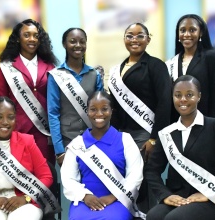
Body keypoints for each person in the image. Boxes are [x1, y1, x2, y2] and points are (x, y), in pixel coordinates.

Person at [145, 75, 215, 220]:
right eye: (178, 95)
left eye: (189, 95)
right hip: (180, 196)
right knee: (153, 216)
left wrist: (211, 193)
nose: (183, 100)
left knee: (175, 219)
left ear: (199, 97)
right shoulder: (166, 133)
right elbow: (152, 171)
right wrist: (166, 195)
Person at [108, 22, 171, 212]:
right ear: (124, 39)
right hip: (123, 135)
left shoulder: (155, 65)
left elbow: (164, 102)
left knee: (144, 179)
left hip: (146, 134)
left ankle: (148, 215)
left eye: (140, 35)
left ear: (148, 39)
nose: (134, 40)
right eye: (130, 35)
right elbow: (115, 106)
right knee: (127, 179)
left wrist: (154, 138)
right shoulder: (117, 69)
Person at [61, 91, 144, 220]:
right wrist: (85, 196)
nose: (99, 114)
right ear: (87, 112)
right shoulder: (77, 144)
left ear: (111, 111)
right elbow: (68, 179)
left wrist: (114, 196)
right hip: (85, 202)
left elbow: (135, 176)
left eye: (104, 109)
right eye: (93, 109)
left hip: (119, 200)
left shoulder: (125, 140)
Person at [0, 19, 58, 165]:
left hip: (44, 131)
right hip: (17, 130)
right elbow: (1, 100)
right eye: (27, 35)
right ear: (18, 39)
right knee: (21, 174)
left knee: (45, 173)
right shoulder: (7, 66)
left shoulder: (50, 66)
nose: (32, 39)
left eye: (36, 36)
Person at [47, 28, 103, 166]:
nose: (78, 45)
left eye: (82, 42)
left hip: (92, 139)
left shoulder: (94, 75)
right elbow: (53, 113)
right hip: (67, 142)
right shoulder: (56, 76)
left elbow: (102, 111)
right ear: (64, 44)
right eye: (72, 42)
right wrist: (59, 150)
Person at [166, 14, 215, 122]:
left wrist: (214, 126)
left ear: (201, 32)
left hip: (204, 122)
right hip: (178, 123)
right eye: (182, 30)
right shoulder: (172, 62)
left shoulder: (211, 56)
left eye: (192, 30)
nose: (187, 34)